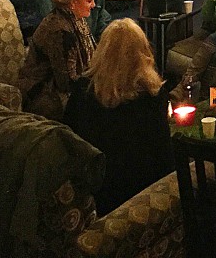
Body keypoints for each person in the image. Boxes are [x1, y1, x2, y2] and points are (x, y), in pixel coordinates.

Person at [64, 18, 174, 215]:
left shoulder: (83, 92)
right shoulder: (152, 95)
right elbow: (162, 152)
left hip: (97, 193)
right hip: (146, 194)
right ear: (143, 52)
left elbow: (70, 139)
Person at [19, 0, 96, 120]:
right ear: (73, 2)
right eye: (89, 0)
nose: (93, 5)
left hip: (64, 89)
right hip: (44, 94)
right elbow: (66, 82)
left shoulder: (76, 18)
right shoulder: (59, 30)